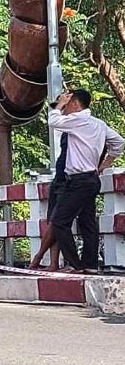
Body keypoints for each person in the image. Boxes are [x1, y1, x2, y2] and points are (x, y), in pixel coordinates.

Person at [46, 89, 123, 273]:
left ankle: (76, 265)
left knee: (60, 221)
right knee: (87, 223)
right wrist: (104, 165)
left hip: (78, 180)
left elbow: (53, 121)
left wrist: (59, 104)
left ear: (75, 103)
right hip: (91, 178)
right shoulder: (98, 124)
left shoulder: (78, 120)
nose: (63, 109)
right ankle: (90, 265)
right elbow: (119, 142)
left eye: (66, 105)